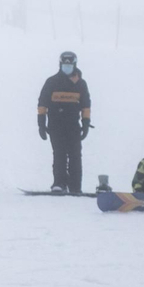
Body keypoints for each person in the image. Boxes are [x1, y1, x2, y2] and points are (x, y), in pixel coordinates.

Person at [37, 51, 91, 193]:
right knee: (59, 154)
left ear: (74, 65)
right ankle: (59, 183)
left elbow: (86, 105)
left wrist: (86, 124)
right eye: (65, 64)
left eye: (70, 65)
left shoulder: (80, 84)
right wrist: (41, 124)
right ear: (60, 65)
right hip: (55, 125)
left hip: (73, 126)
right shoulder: (51, 82)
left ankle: (75, 185)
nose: (67, 67)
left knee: (75, 155)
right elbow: (42, 103)